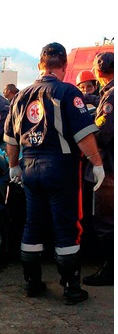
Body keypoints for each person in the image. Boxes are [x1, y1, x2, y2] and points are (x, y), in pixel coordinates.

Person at [4, 42, 104, 305]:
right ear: (64, 65)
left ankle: (32, 283)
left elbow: (11, 140)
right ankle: (71, 287)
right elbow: (84, 135)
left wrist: (14, 166)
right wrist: (97, 163)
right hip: (61, 169)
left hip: (30, 169)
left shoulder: (21, 96)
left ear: (40, 65)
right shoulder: (67, 91)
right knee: (68, 227)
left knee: (32, 226)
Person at [83, 52, 114, 286]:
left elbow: (104, 133)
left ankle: (110, 270)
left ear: (98, 72)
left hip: (110, 167)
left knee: (105, 220)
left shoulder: (111, 96)